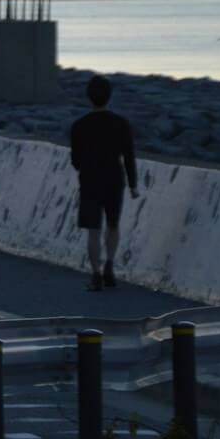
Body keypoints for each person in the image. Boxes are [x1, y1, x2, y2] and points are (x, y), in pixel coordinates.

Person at [68, 74, 140, 291]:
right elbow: (128, 156)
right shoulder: (121, 124)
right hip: (114, 178)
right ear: (109, 97)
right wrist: (134, 184)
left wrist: (86, 167)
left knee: (93, 229)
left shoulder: (79, 126)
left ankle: (96, 274)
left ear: (89, 97)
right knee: (112, 224)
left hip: (90, 180)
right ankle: (109, 264)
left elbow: (76, 160)